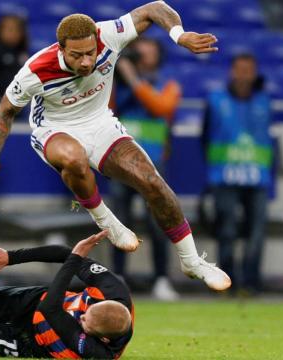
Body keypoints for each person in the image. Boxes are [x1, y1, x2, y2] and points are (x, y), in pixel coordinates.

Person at [0, 1, 231, 291]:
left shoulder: (109, 34)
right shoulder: (35, 70)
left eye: (90, 53)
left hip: (101, 124)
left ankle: (192, 261)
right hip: (54, 130)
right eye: (76, 55)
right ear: (61, 49)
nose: (85, 61)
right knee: (75, 159)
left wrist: (179, 35)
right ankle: (108, 222)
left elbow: (155, 8)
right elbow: (4, 112)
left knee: (154, 184)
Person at [0, 230, 135, 359]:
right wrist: (11, 257)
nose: (81, 316)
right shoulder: (113, 290)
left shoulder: (97, 352)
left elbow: (51, 310)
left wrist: (75, 259)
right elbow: (64, 254)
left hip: (34, 341)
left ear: (104, 339)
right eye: (87, 311)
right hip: (34, 301)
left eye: (84, 322)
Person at [110, 37, 181, 300]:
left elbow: (161, 107)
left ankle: (161, 279)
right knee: (120, 221)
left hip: (153, 165)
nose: (143, 58)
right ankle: (118, 276)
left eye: (149, 52)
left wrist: (133, 80)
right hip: (120, 163)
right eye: (139, 53)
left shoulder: (168, 85)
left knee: (158, 223)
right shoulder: (118, 88)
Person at [202, 53, 272, 295]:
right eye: (240, 69)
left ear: (255, 73)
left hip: (257, 177)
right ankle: (228, 281)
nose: (244, 75)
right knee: (227, 231)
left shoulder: (264, 101)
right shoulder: (215, 100)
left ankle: (251, 282)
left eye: (248, 70)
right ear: (232, 72)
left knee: (257, 232)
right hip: (224, 176)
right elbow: (205, 137)